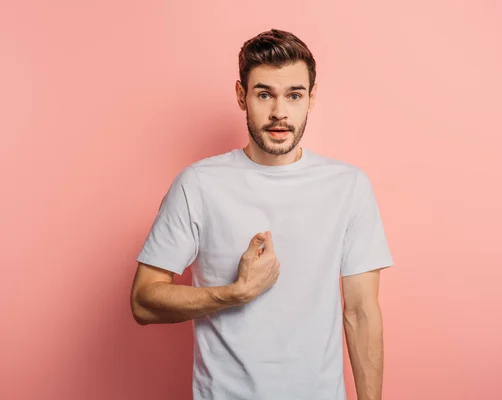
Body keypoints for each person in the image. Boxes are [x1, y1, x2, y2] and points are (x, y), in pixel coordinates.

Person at [130, 28, 394, 400]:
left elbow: (362, 312)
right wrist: (234, 294)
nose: (279, 113)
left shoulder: (348, 186)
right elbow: (143, 301)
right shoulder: (199, 185)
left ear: (311, 99)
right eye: (264, 94)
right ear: (242, 96)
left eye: (294, 95)